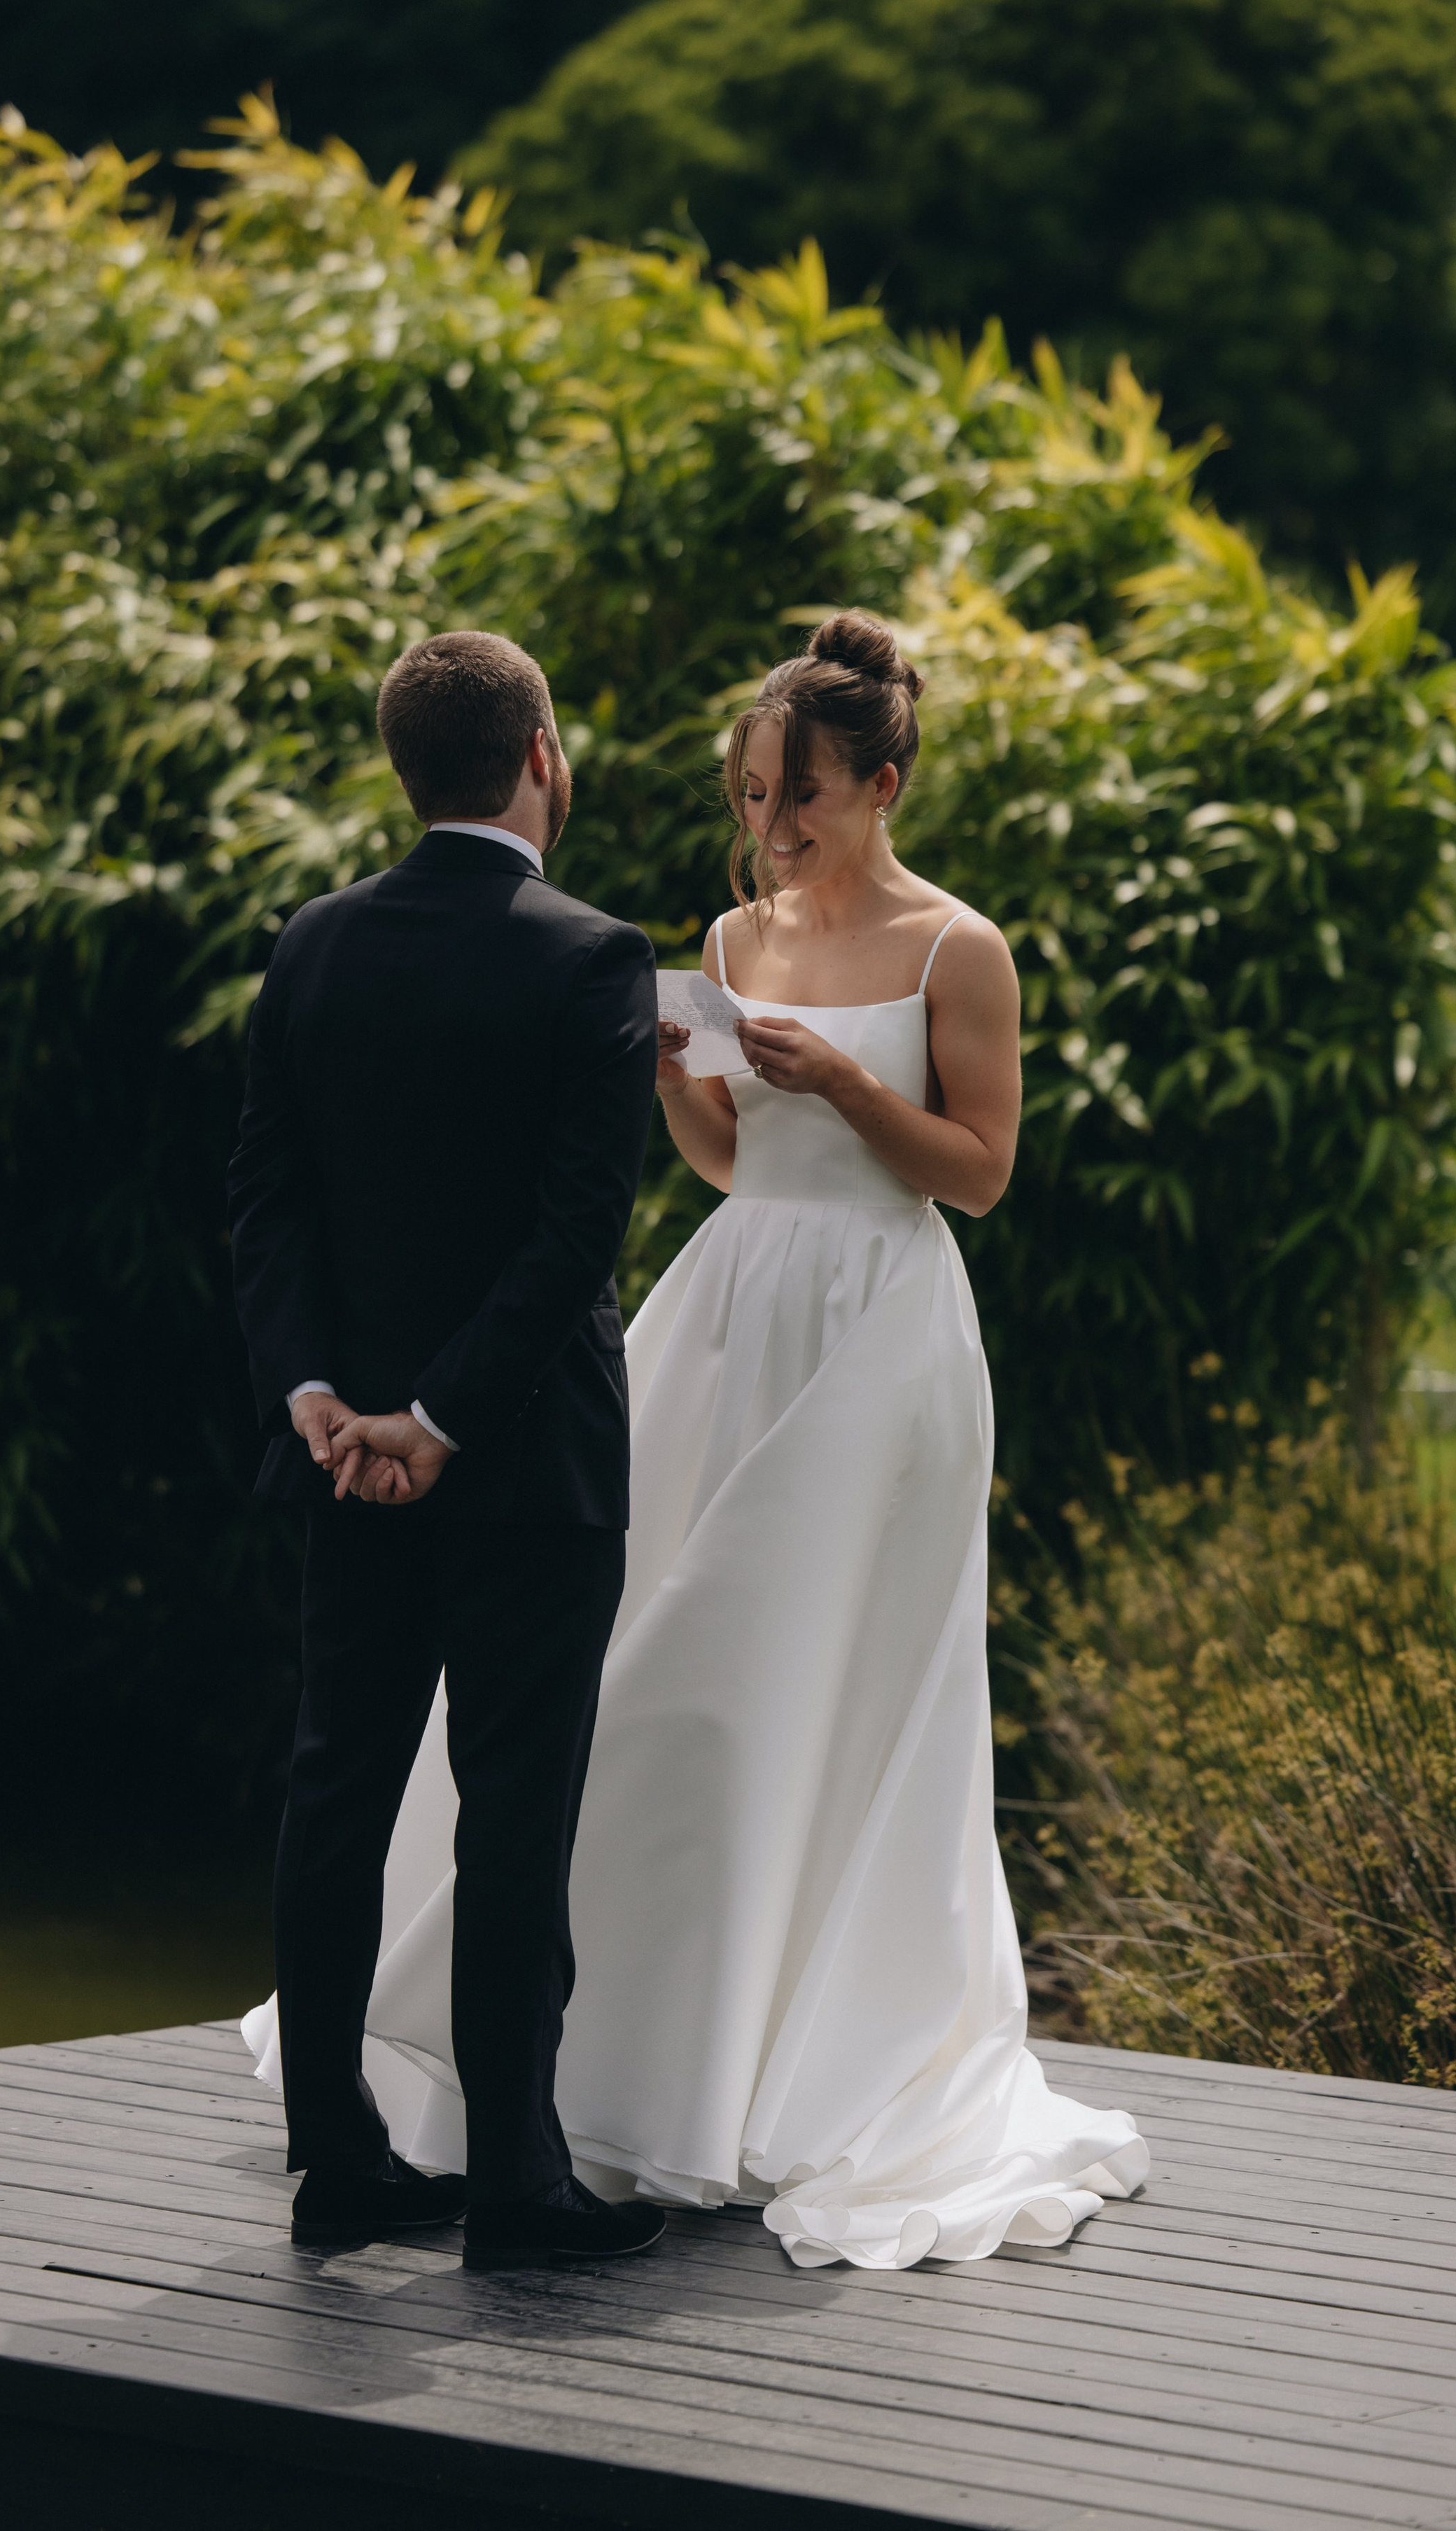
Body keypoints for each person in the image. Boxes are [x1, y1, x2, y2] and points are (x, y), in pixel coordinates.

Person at [259, 608, 1148, 2268]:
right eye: (752, 793)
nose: (769, 825)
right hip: (737, 1302)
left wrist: (845, 1086)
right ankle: (613, 2075)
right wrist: (689, 1073)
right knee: (672, 1675)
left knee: (804, 1678)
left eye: (798, 795)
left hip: (881, 1334)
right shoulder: (726, 940)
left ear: (882, 782)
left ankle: (803, 2052)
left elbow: (974, 1169)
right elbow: (726, 1167)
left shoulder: (964, 948)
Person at [227, 629, 667, 2273]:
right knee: (515, 1810)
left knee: (336, 1787)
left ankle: (337, 2156)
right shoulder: (592, 956)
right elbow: (569, 1243)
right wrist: (445, 1417)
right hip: (525, 1460)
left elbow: (266, 1203)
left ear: (403, 766)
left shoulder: (313, 946)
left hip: (342, 1461)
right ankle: (517, 2179)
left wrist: (322, 1397)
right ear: (542, 756)